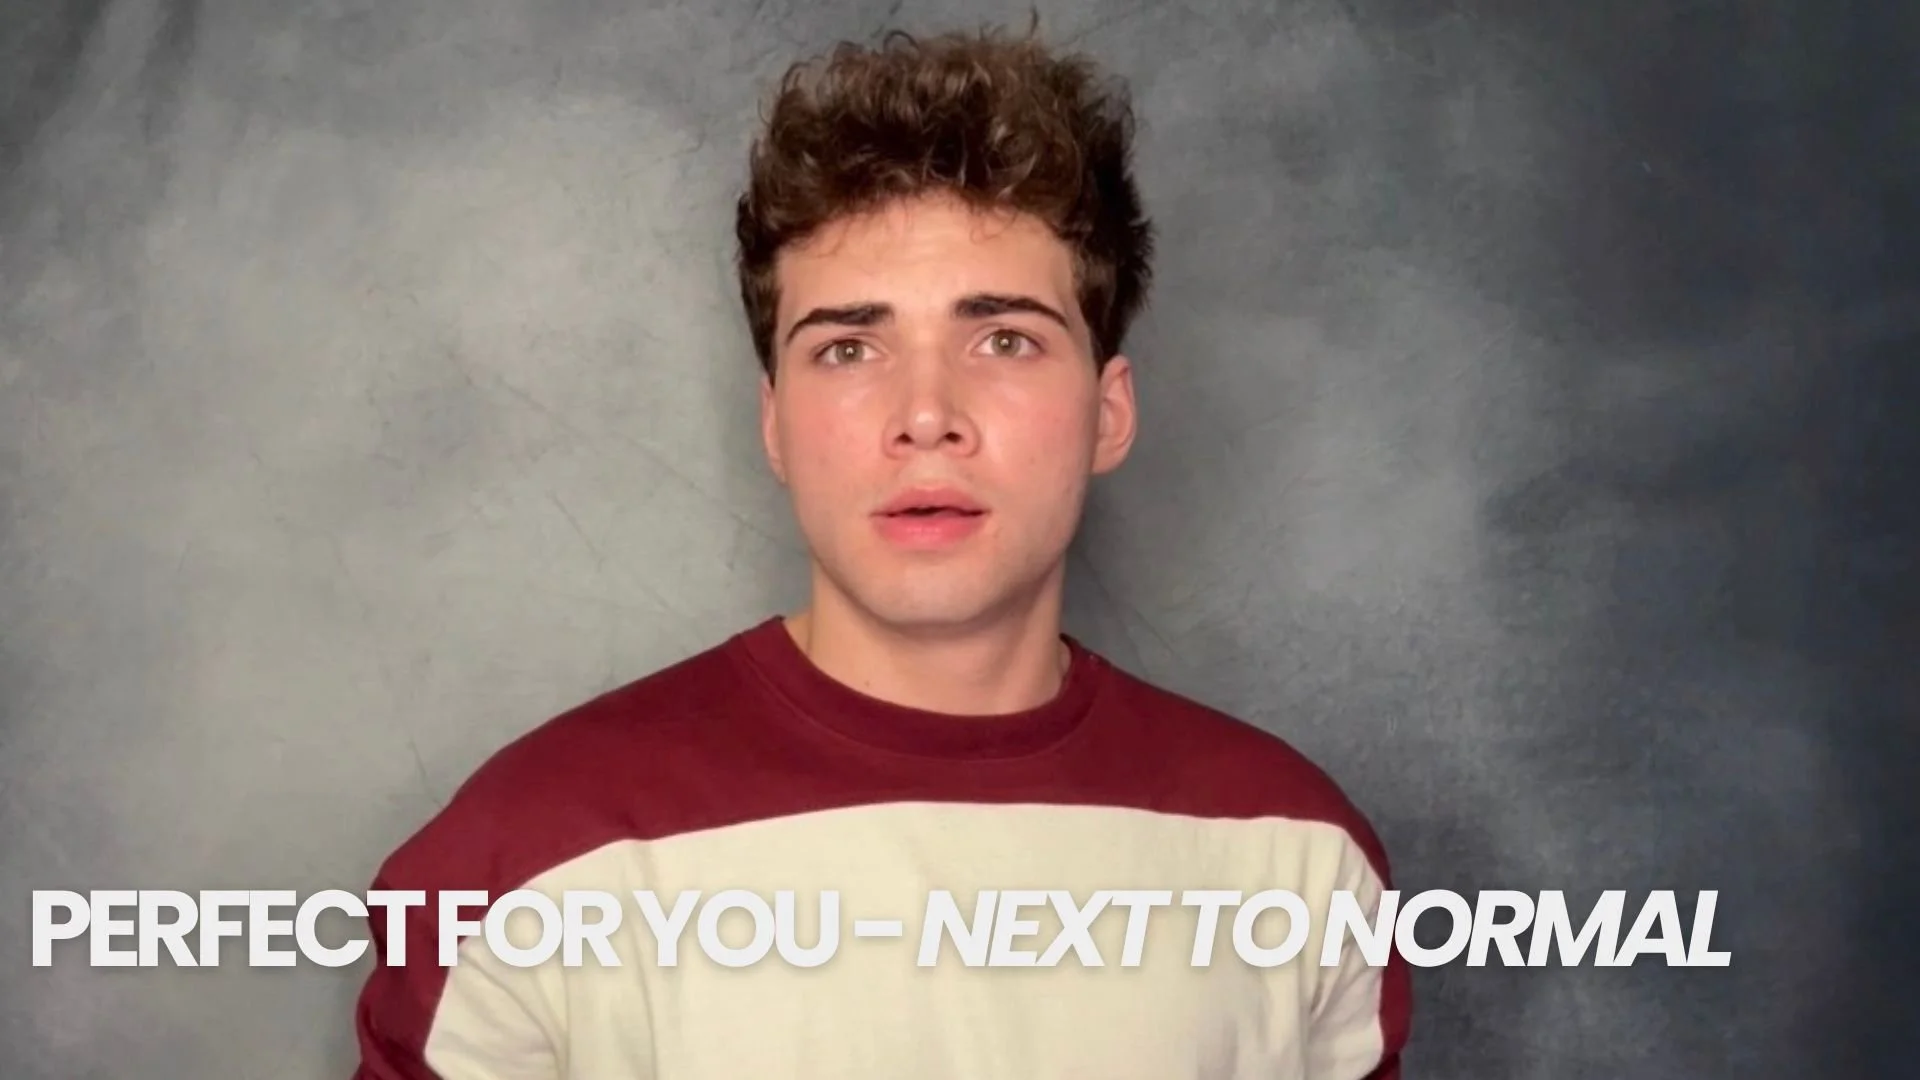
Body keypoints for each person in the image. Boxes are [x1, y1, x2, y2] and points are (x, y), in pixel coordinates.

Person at [350, 22, 1410, 1080]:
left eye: (1004, 339)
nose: (926, 416)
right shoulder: (525, 866)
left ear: (1108, 411)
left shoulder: (1299, 860)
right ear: (775, 423)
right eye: (849, 347)